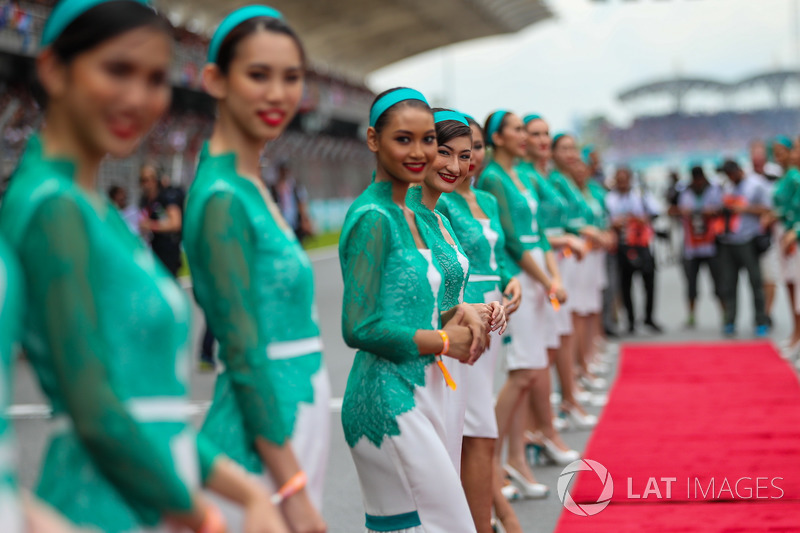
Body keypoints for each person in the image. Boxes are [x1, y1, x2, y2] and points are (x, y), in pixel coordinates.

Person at [0, 1, 288, 531]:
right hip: (106, 506)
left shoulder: (89, 205)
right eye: (117, 70)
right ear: (52, 69)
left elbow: (151, 409)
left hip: (151, 494)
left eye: (156, 79)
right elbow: (96, 410)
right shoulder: (52, 207)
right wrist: (200, 512)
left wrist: (244, 491)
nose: (138, 97)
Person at [182, 6, 329, 532]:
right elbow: (241, 353)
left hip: (291, 429)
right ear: (216, 79)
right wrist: (292, 490)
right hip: (256, 451)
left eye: (291, 77)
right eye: (258, 75)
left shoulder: (252, 185)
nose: (278, 94)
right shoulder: (222, 196)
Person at [339, 87, 487, 533]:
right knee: (451, 526)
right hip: (388, 399)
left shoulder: (411, 214)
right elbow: (359, 326)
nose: (420, 152)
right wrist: (445, 339)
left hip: (424, 387)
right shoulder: (374, 217)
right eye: (404, 139)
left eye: (427, 140)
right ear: (373, 140)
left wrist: (462, 315)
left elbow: (417, 309)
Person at [436, 115, 523, 533]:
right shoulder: (441, 203)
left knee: (476, 426)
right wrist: (468, 310)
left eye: (472, 150)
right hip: (461, 316)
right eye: (448, 151)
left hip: (487, 309)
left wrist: (511, 283)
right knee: (469, 428)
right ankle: (492, 519)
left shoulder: (483, 200)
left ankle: (487, 519)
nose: (463, 161)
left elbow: (498, 255)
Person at [476, 111, 565, 504]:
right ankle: (491, 462)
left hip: (535, 276)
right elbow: (512, 240)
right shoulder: (493, 177)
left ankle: (513, 459)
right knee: (523, 371)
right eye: (516, 130)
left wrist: (552, 275)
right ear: (497, 137)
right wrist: (547, 281)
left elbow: (539, 232)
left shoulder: (519, 176)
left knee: (530, 370)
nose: (525, 137)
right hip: (518, 279)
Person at [606, 167, 663, 333]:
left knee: (649, 283)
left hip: (642, 244)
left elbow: (656, 212)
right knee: (625, 284)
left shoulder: (641, 195)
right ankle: (630, 320)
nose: (622, 183)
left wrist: (642, 219)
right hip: (622, 246)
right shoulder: (610, 198)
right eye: (619, 179)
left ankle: (649, 318)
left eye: (625, 179)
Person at [717, 160, 771, 337]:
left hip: (748, 240)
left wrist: (745, 208)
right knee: (729, 284)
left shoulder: (756, 185)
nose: (731, 177)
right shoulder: (726, 186)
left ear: (739, 170)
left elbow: (768, 208)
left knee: (755, 282)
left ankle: (761, 321)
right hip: (728, 240)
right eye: (728, 175)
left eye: (732, 173)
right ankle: (730, 321)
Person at [678, 166, 723, 328]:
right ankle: (691, 315)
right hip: (691, 246)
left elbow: (721, 209)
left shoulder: (714, 190)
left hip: (711, 244)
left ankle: (724, 314)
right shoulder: (684, 192)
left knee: (718, 282)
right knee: (690, 283)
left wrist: (711, 213)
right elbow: (674, 210)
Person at [772, 136, 800, 356]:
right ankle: (796, 336)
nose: (790, 155)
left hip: (793, 234)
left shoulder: (794, 177)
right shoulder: (788, 176)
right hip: (788, 233)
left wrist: (795, 230)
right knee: (793, 287)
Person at [139, 162, 183, 276]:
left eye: (150, 179)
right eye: (143, 180)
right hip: (153, 250)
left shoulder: (166, 197)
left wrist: (151, 225)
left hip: (168, 252)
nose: (147, 183)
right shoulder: (145, 200)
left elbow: (175, 223)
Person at [270, 160, 313, 241]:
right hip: (281, 220)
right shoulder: (274, 187)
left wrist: (304, 219)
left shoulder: (295, 186)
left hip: (295, 220)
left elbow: (302, 202)